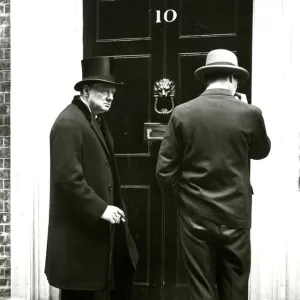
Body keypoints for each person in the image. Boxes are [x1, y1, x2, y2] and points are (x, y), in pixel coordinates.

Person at [156, 49, 271, 300]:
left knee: (202, 288)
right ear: (233, 78)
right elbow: (262, 152)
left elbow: (164, 172)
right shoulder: (250, 113)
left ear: (207, 78)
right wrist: (246, 109)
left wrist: (186, 200)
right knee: (235, 287)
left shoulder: (183, 112)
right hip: (235, 213)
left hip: (195, 215)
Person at [45, 56, 139, 300]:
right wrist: (101, 209)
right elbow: (67, 179)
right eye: (104, 91)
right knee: (78, 293)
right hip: (79, 234)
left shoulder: (94, 120)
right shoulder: (69, 123)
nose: (110, 97)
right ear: (86, 91)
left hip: (91, 233)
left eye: (113, 92)